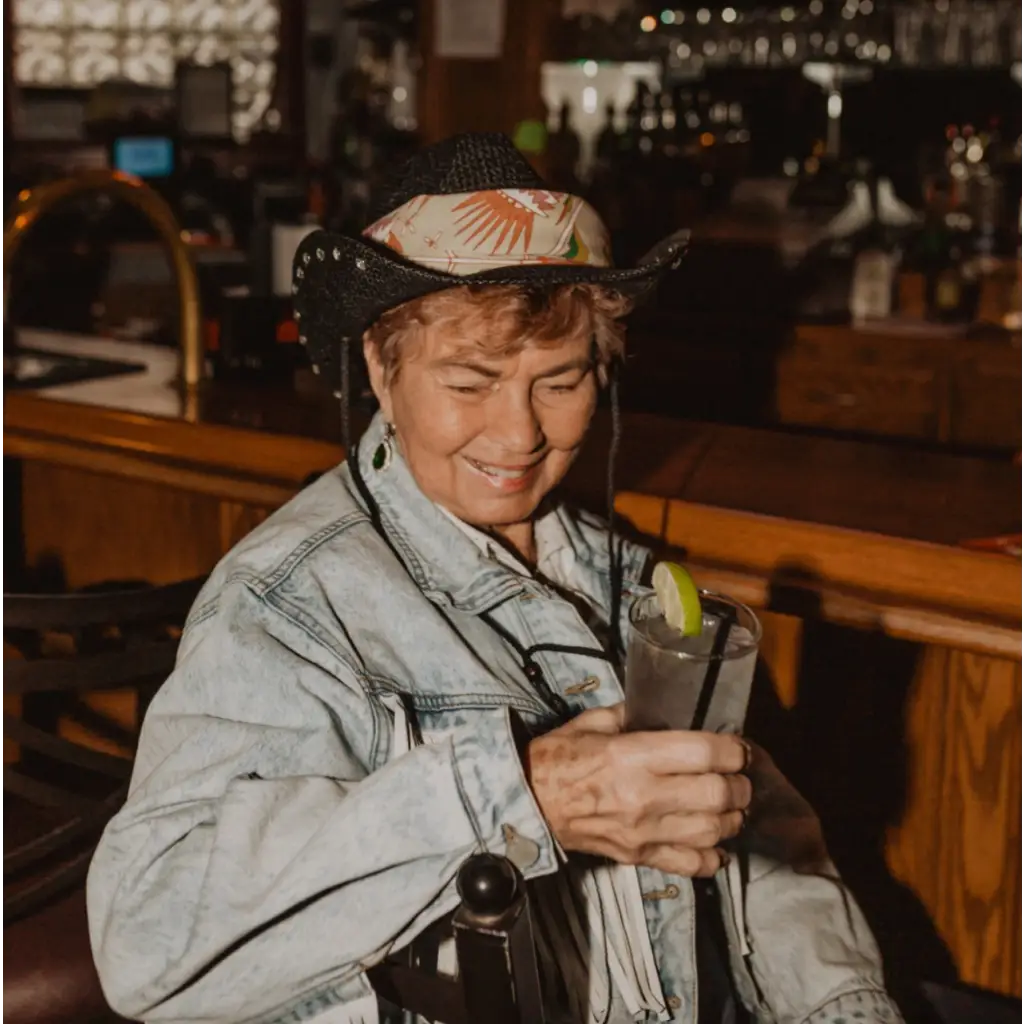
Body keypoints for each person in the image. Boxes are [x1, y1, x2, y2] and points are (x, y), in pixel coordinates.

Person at [87, 133, 905, 1024]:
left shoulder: (626, 576)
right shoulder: (292, 609)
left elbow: (762, 839)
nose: (519, 437)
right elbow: (145, 942)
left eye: (559, 381)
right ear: (380, 368)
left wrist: (847, 1008)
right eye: (470, 382)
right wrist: (525, 797)